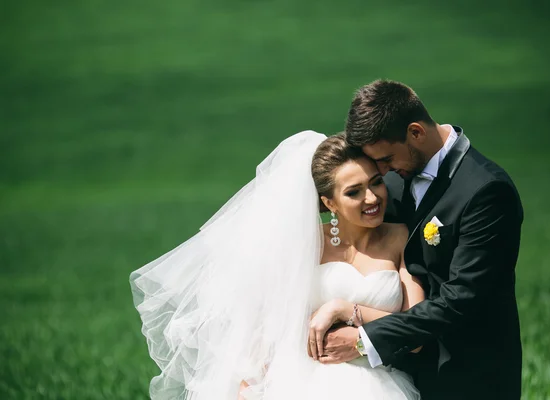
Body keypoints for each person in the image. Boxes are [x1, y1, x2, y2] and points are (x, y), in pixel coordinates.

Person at [130, 131, 423, 399]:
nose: (371, 198)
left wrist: (345, 310)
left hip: (379, 385)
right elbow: (264, 323)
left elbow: (417, 337)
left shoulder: (400, 238)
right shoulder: (307, 245)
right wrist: (250, 385)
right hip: (301, 382)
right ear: (329, 203)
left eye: (376, 183)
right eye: (353, 191)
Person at [318, 80, 524, 400]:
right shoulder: (393, 181)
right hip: (399, 376)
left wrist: (364, 338)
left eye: (385, 159)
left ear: (416, 132)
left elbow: (461, 301)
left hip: (468, 375)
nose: (381, 171)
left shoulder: (485, 191)